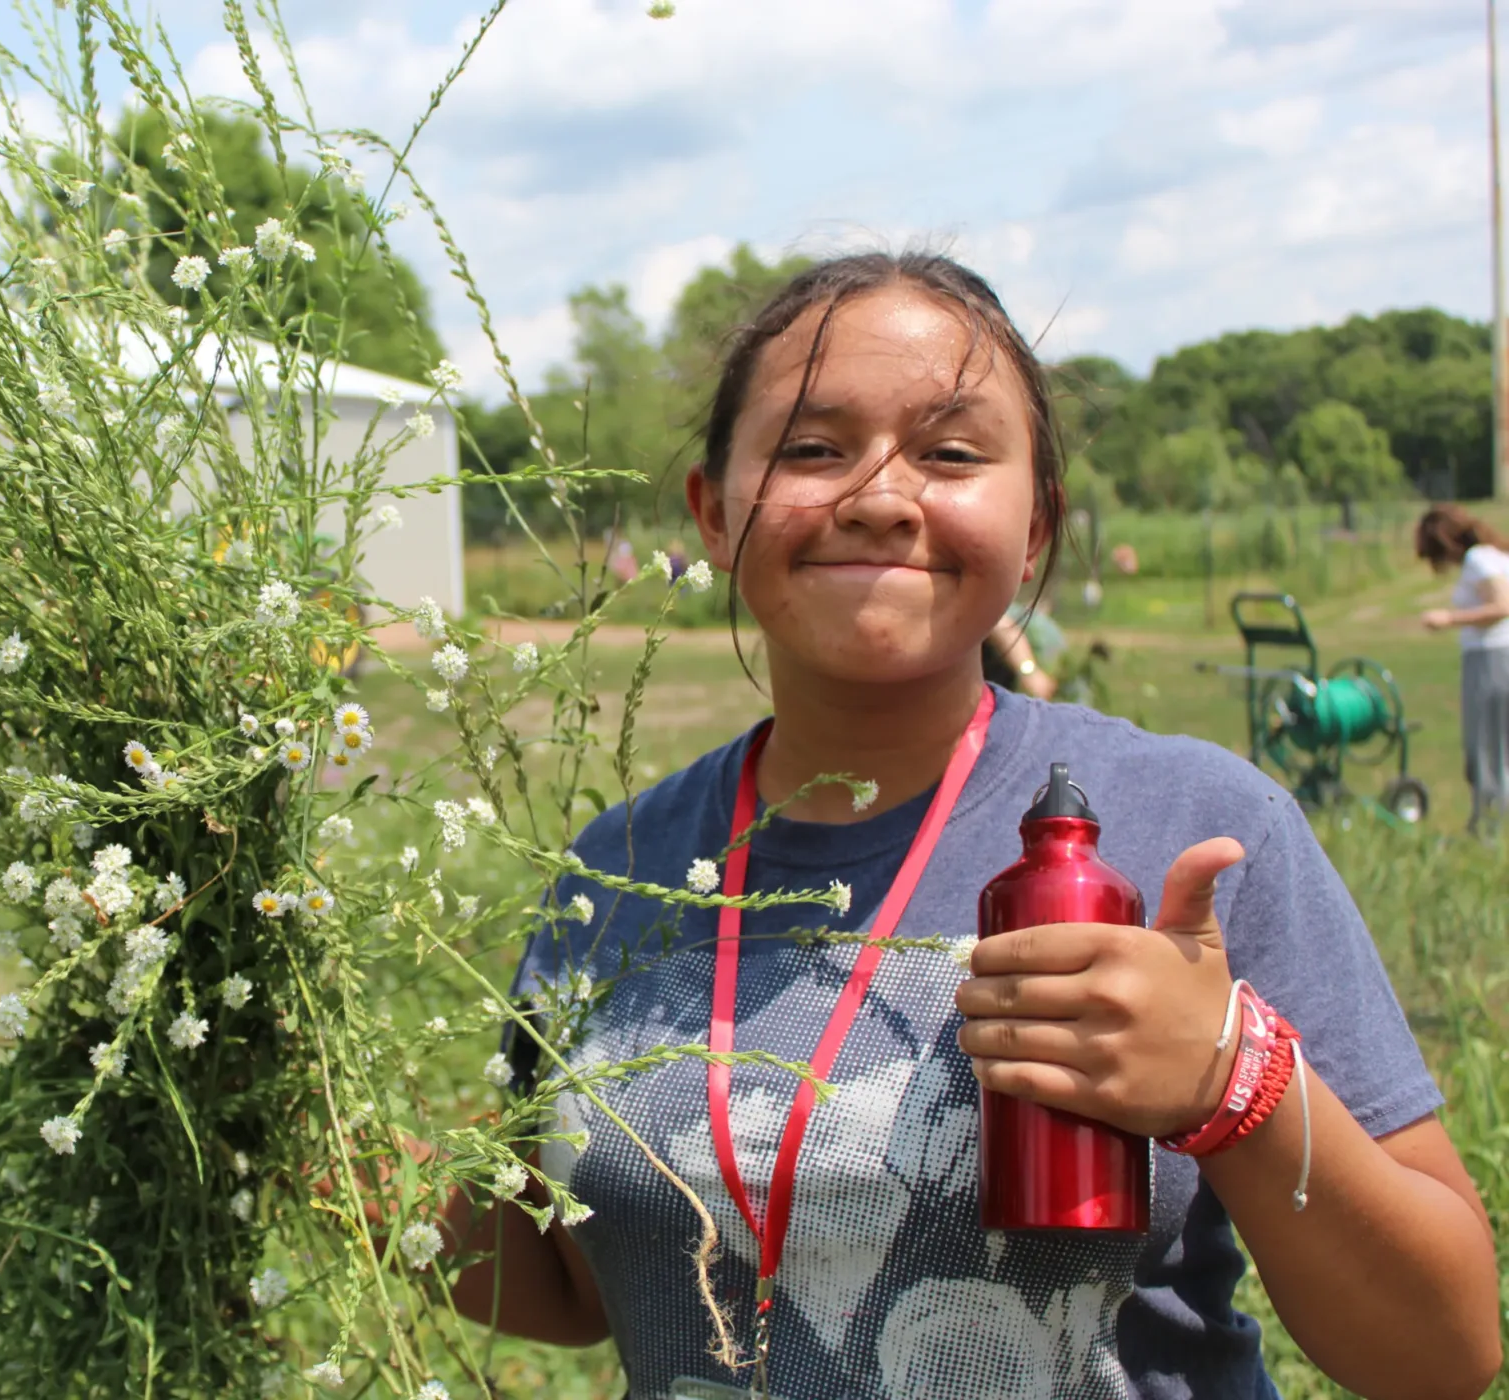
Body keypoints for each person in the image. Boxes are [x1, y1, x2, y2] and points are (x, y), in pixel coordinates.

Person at [437, 254, 1497, 1399]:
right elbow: (588, 1289)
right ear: (713, 509)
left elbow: (1441, 1353)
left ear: (1036, 526)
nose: (881, 494)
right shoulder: (615, 870)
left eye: (950, 451)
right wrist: (351, 1158)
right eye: (809, 447)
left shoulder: (1198, 829)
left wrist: (1231, 1081)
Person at [1416, 504, 1509, 834]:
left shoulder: (1479, 559)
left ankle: (1487, 830)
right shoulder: (1494, 554)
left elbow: (1502, 605)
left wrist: (1448, 619)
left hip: (1490, 659)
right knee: (1497, 747)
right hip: (1496, 657)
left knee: (1483, 747)